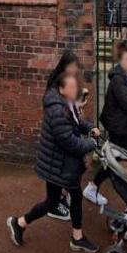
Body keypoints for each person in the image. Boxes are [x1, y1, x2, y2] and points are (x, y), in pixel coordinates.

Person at [7, 73, 101, 253]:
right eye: (72, 87)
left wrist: (90, 128)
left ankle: (21, 223)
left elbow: (77, 123)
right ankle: (75, 237)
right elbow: (69, 141)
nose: (76, 90)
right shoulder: (58, 110)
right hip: (59, 166)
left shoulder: (66, 104)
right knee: (64, 199)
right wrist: (91, 143)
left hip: (61, 164)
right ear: (61, 88)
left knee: (57, 200)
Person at [84, 43, 127, 206]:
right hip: (119, 128)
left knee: (117, 159)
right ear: (120, 61)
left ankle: (94, 187)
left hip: (124, 126)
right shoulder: (118, 80)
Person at [42, 51, 87, 221]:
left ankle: (60, 198)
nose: (74, 70)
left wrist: (76, 104)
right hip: (58, 137)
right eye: (72, 66)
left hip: (63, 134)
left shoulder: (68, 82)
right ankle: (24, 221)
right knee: (59, 172)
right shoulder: (56, 86)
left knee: (67, 172)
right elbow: (60, 108)